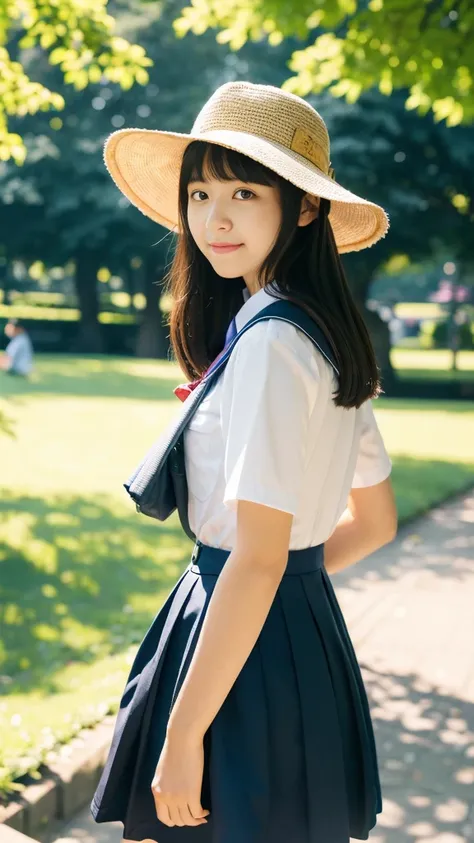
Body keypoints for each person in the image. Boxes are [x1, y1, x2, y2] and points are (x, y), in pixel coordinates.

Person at [91, 81, 397, 843]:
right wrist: (290, 585)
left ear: (303, 207)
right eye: (200, 191)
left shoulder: (268, 345)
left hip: (238, 642)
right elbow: (376, 522)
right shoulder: (324, 332)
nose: (214, 217)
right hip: (296, 632)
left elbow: (257, 558)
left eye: (244, 191)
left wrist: (184, 733)